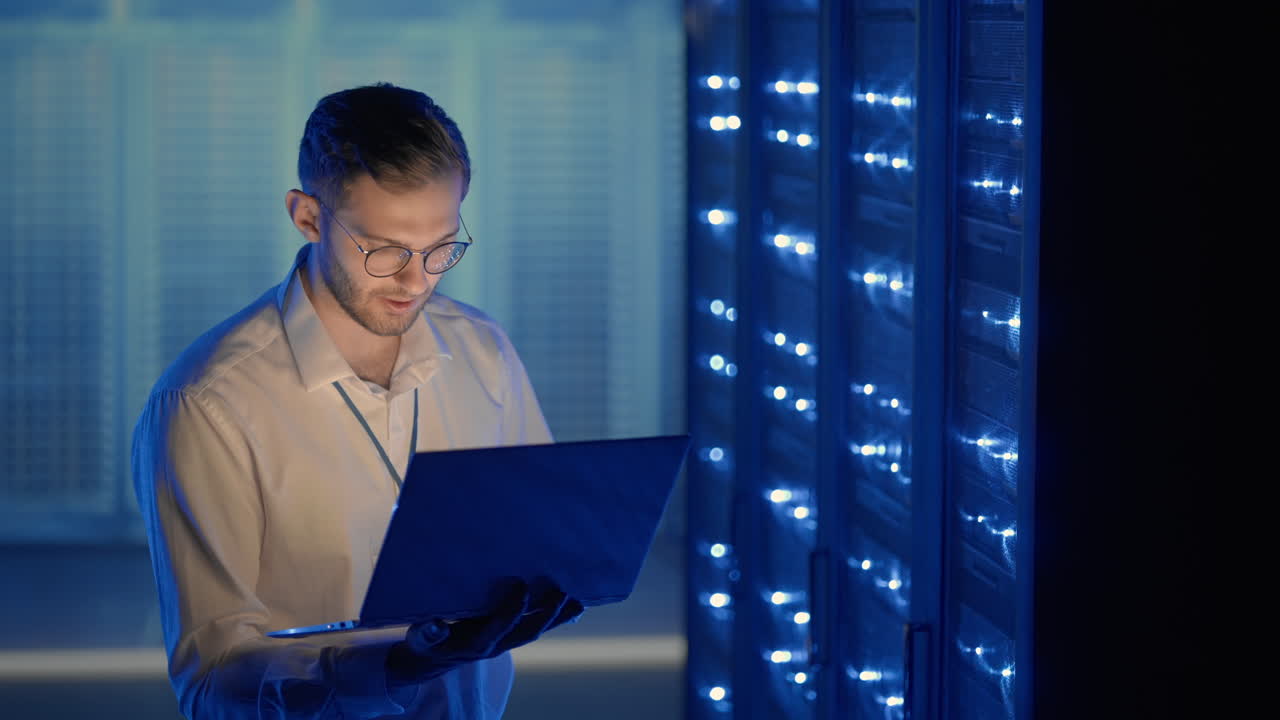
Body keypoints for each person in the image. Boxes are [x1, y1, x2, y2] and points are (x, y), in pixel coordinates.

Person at [131, 83, 582, 719]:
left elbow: (543, 536)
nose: (417, 279)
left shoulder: (483, 352)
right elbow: (211, 682)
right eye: (384, 249)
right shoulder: (207, 403)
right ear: (307, 216)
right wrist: (396, 666)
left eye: (441, 247)